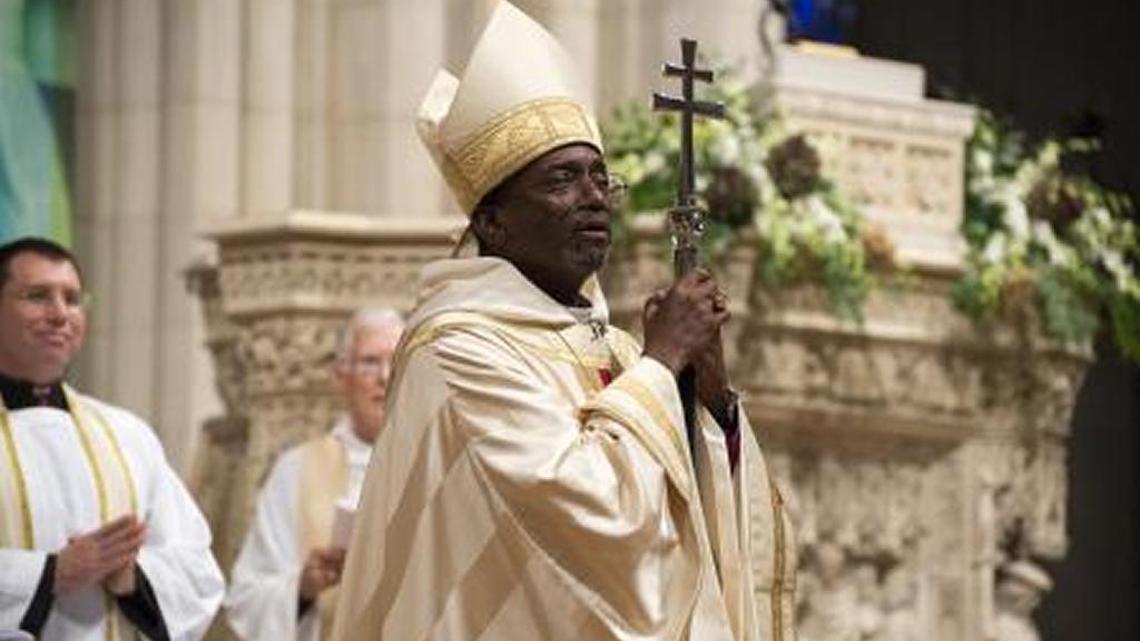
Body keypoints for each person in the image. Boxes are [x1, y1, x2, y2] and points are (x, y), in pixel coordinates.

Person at [330, 3, 797, 641]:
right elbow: (593, 511)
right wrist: (663, 366)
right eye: (562, 180)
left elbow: (692, 530)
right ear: (491, 221)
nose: (594, 196)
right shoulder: (459, 347)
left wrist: (707, 402)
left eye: (601, 177)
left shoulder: (624, 350)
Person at [0, 237, 224, 640]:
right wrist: (50, 573)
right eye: (37, 296)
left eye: (71, 299)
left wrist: (133, 578)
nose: (59, 314)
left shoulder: (126, 436)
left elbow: (198, 570)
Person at [225, 308, 405, 641]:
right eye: (369, 362)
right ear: (341, 375)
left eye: (396, 362)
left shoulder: (433, 464)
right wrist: (303, 588)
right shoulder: (295, 471)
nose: (384, 376)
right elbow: (247, 599)